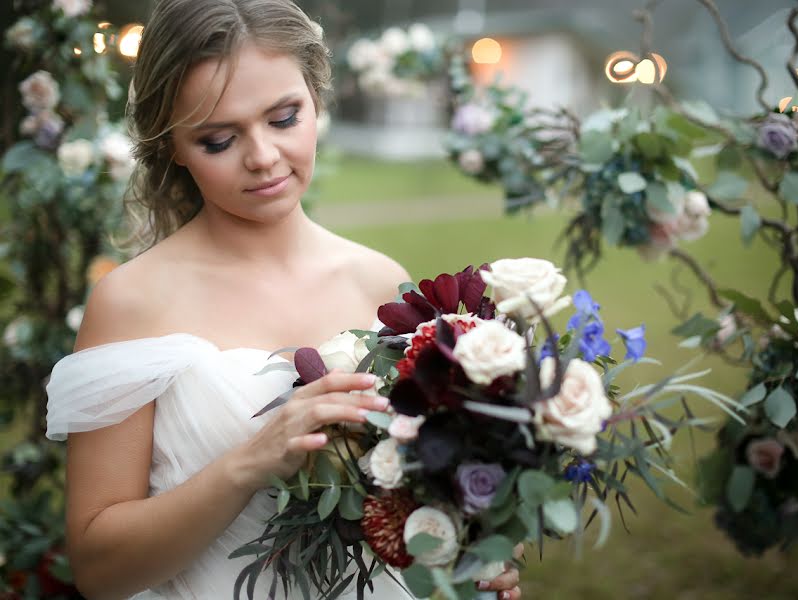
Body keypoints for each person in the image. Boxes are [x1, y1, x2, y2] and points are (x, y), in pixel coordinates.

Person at [44, 0, 523, 598]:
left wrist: (465, 554)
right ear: (173, 147)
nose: (263, 157)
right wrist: (250, 463)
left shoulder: (381, 283)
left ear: (316, 99)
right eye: (218, 139)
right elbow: (98, 569)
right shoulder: (132, 301)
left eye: (284, 117)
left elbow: (400, 511)